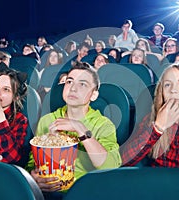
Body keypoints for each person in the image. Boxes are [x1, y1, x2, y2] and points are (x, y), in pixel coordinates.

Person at [27, 61, 121, 195]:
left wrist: (81, 130)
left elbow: (110, 166)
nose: (73, 88)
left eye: (82, 84)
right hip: (49, 192)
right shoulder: (47, 120)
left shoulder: (103, 125)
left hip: (86, 192)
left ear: (93, 95)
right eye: (69, 82)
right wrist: (35, 177)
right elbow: (33, 160)